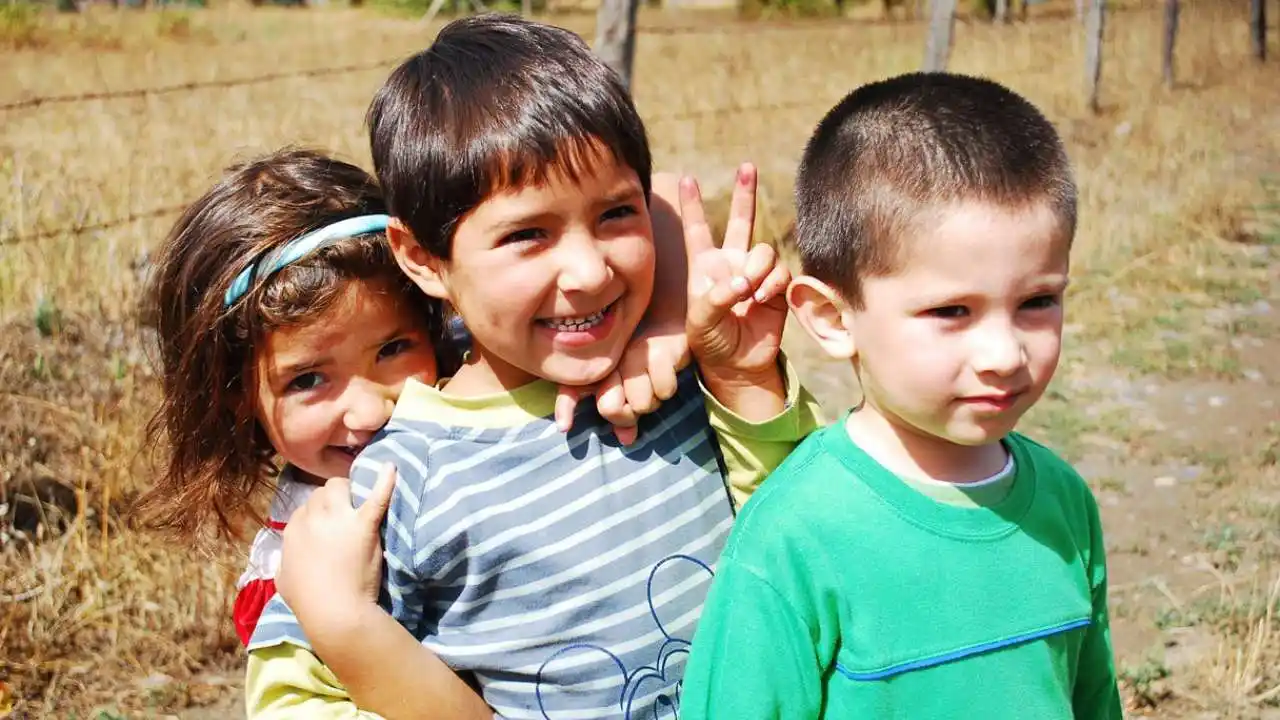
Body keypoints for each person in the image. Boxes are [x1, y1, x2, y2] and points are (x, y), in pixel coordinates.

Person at [244, 14, 823, 720]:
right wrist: (348, 627)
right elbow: (296, 701)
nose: (587, 271)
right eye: (527, 235)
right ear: (423, 259)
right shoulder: (401, 481)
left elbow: (805, 549)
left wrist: (739, 378)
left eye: (615, 214)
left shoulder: (672, 384)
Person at [680, 72, 1124, 719]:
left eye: (1037, 301)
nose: (1005, 354)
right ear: (832, 319)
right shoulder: (792, 537)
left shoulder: (1064, 502)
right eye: (951, 311)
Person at [133, 147, 700, 649]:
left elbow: (664, 191)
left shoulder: (483, 362)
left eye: (393, 349)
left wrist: (661, 327)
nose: (371, 408)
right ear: (236, 396)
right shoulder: (301, 569)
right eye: (307, 380)